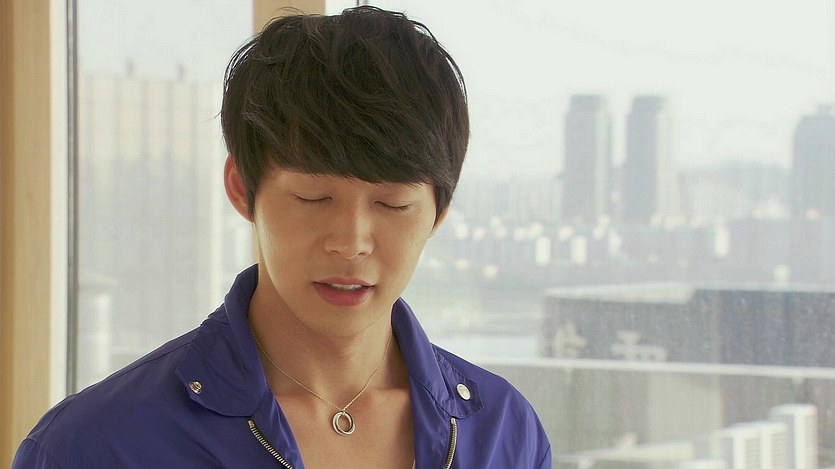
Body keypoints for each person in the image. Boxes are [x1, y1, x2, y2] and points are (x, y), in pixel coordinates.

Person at [13, 6, 551, 468]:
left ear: (439, 212)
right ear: (241, 189)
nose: (351, 242)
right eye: (313, 198)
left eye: (392, 204)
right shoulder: (93, 446)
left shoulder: (504, 433)